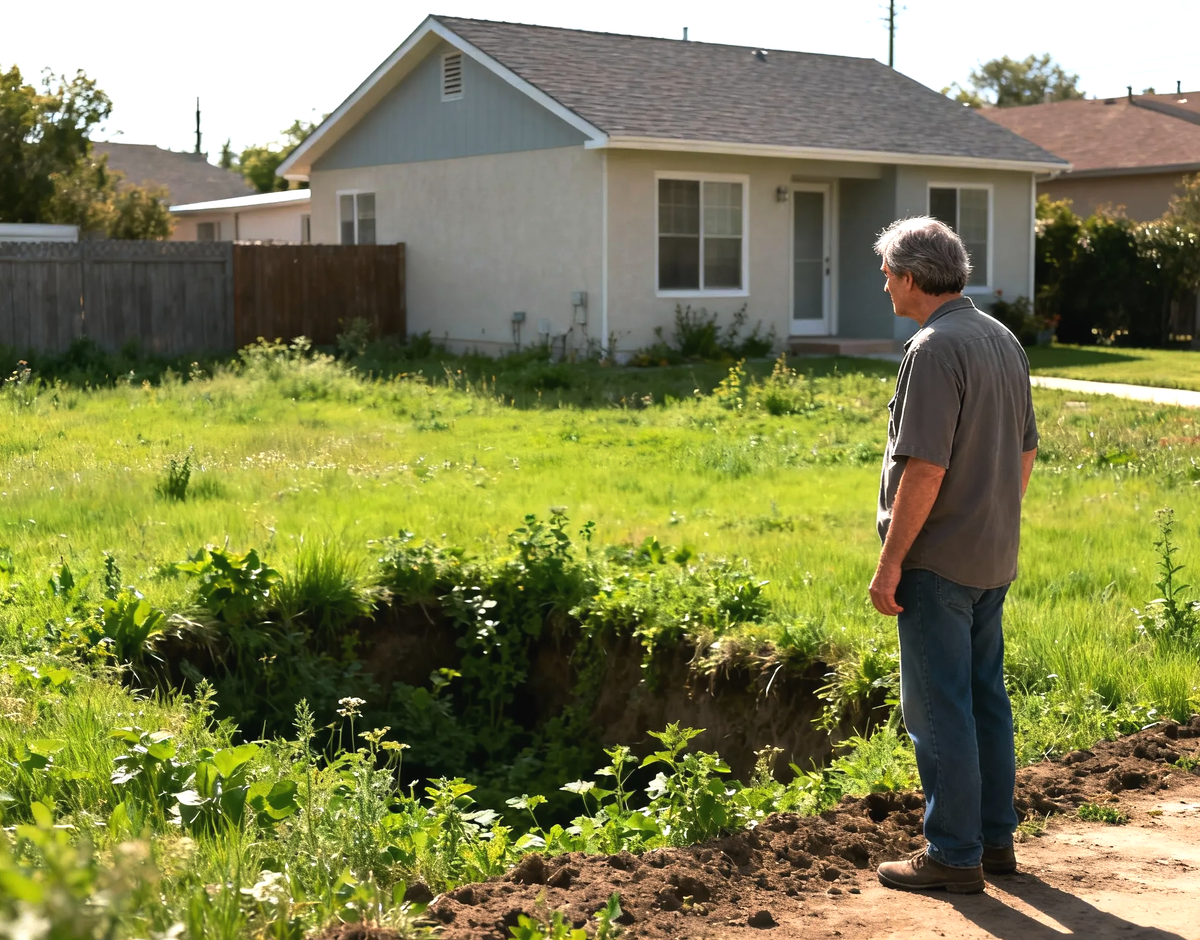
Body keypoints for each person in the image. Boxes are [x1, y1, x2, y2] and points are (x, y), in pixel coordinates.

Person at [869, 217, 1038, 894]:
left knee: (939, 708)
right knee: (984, 699)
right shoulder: (1000, 337)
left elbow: (925, 467)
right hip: (992, 553)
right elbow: (1026, 449)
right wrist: (993, 518)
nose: (883, 284)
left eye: (885, 273)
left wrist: (890, 564)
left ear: (910, 277)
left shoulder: (933, 348)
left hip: (937, 563)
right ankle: (995, 844)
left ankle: (953, 855)